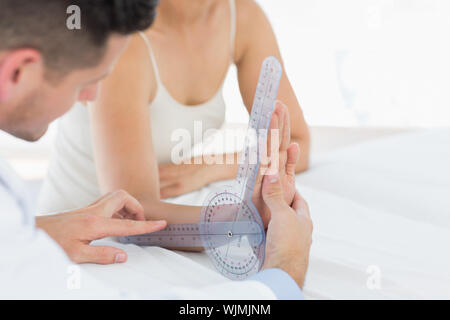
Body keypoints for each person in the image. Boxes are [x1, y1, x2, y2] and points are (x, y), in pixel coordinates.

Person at [0, 0, 312, 299]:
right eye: (88, 80)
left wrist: (38, 230)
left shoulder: (240, 16)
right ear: (17, 72)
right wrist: (285, 268)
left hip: (72, 227)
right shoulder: (128, 46)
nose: (90, 97)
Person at [37, 0, 311, 217]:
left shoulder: (243, 17)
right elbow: (132, 211)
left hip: (150, 226)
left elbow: (297, 147)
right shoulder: (126, 40)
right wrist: (244, 222)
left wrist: (211, 167)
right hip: (74, 237)